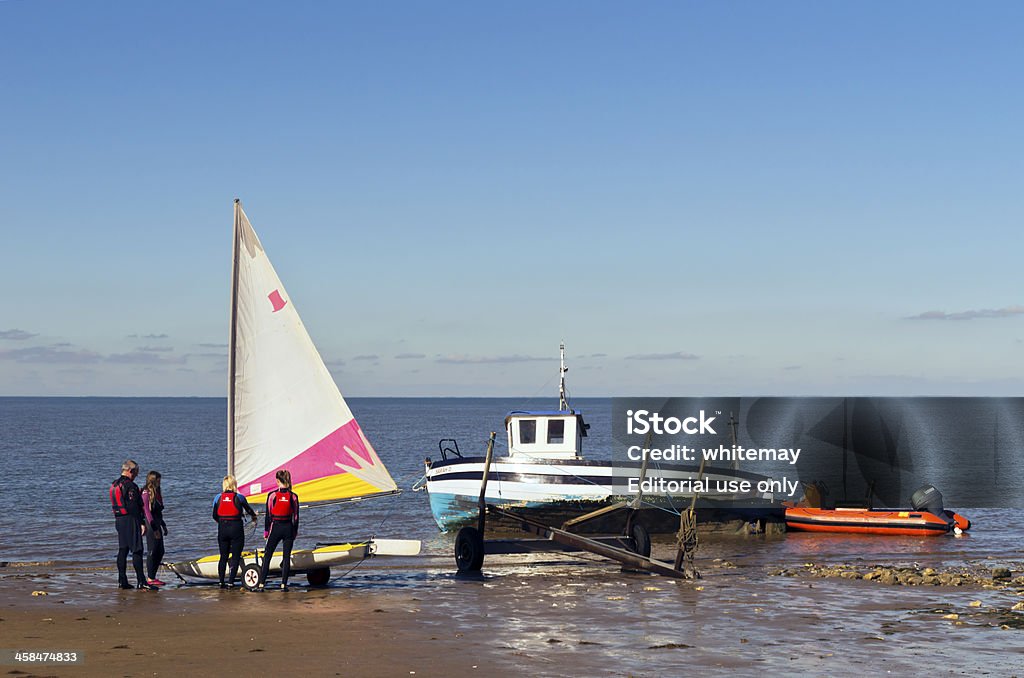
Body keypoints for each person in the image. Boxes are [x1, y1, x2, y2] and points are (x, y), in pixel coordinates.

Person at [110, 460, 155, 590]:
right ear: (131, 471)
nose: (137, 475)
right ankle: (141, 581)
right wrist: (141, 523)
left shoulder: (115, 484)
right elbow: (134, 506)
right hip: (130, 519)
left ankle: (122, 580)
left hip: (119, 520)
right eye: (136, 472)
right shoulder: (130, 486)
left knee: (123, 550)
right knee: (137, 550)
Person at [213, 475, 257, 589]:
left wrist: (222, 522)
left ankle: (221, 582)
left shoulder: (218, 497)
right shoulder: (240, 497)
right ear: (234, 485)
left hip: (222, 529)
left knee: (223, 557)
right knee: (235, 557)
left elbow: (214, 515)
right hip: (236, 528)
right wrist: (254, 517)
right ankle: (231, 582)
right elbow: (249, 510)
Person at [260, 469, 300, 591]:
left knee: (267, 556)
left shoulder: (272, 495)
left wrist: (266, 532)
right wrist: (294, 532)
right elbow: (296, 517)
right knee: (286, 557)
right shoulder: (293, 496)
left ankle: (261, 584)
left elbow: (268, 516)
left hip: (276, 527)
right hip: (288, 528)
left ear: (277, 481)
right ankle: (283, 585)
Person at [141, 471, 168, 587]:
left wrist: (163, 525)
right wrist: (154, 528)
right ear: (153, 480)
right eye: (158, 480)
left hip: (157, 523)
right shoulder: (146, 492)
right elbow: (147, 512)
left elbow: (158, 513)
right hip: (151, 524)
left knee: (161, 551)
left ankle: (153, 576)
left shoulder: (157, 492)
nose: (160, 482)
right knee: (152, 550)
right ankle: (150, 577)